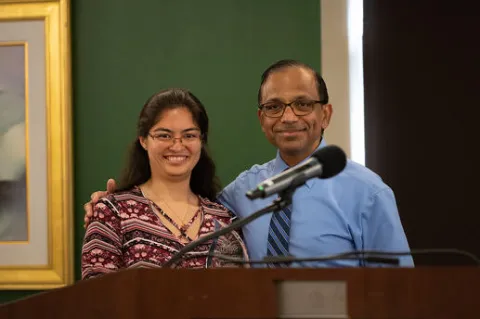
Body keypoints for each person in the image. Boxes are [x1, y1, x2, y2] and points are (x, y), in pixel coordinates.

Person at [84, 59, 414, 267]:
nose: (288, 117)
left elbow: (397, 292)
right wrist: (107, 205)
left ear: (324, 114)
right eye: (274, 107)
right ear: (261, 119)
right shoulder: (239, 196)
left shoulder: (368, 192)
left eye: (302, 104)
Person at [81, 88, 249, 279]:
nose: (177, 146)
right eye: (164, 135)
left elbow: (238, 295)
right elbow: (95, 298)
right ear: (143, 140)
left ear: (201, 141)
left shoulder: (224, 220)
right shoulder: (113, 213)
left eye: (189, 135)